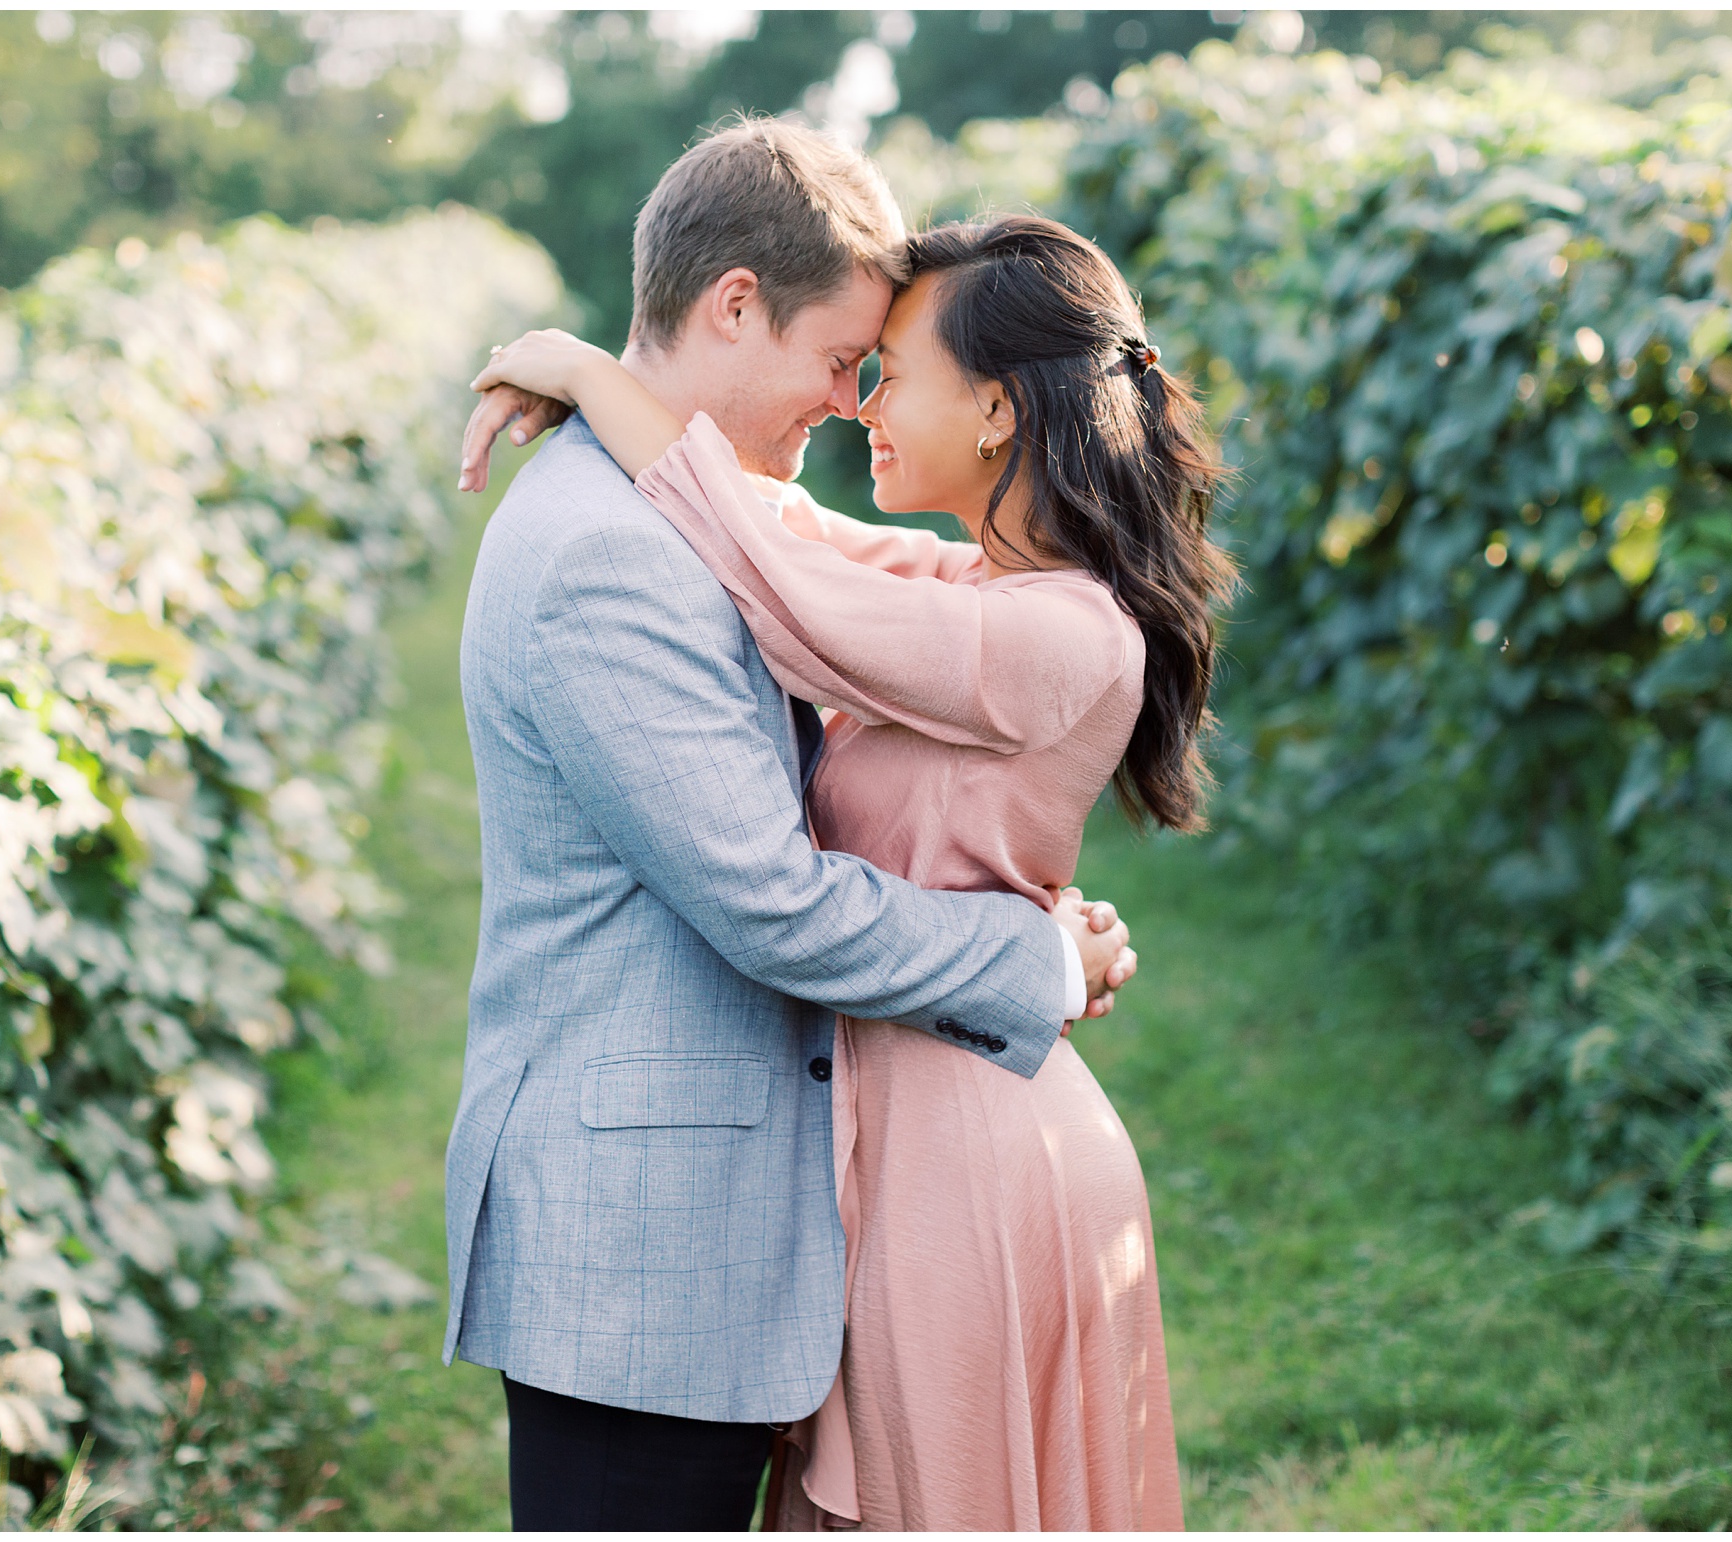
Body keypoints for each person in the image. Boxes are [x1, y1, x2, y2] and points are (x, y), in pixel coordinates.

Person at [471, 209, 1237, 1529]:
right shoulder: (975, 588)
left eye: (887, 370)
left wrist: (598, 377)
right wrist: (617, 391)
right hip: (907, 1137)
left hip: (968, 1159)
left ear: (998, 409)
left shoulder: (1060, 634)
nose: (858, 403)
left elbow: (777, 575)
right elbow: (784, 532)